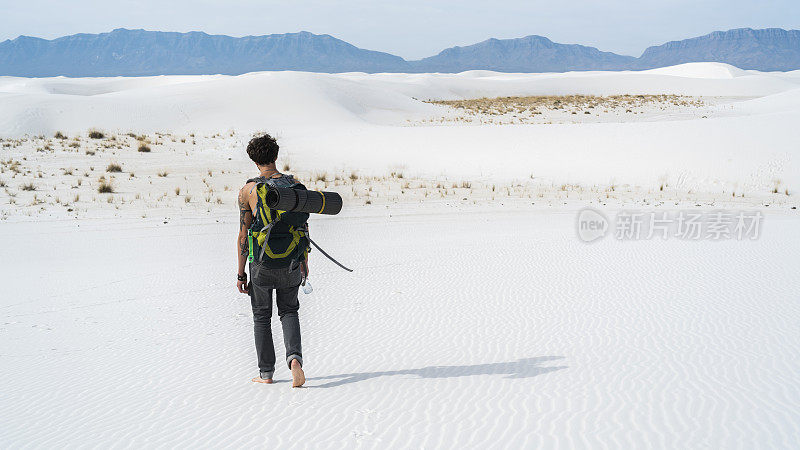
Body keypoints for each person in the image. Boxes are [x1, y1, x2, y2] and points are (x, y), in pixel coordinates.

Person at [236, 134, 307, 387]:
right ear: (275, 156)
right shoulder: (295, 185)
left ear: (254, 161)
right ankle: (295, 360)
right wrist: (303, 262)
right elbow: (303, 227)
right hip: (290, 261)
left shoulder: (248, 190)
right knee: (289, 311)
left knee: (261, 316)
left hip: (261, 265)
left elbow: (244, 234)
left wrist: (241, 273)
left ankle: (266, 374)